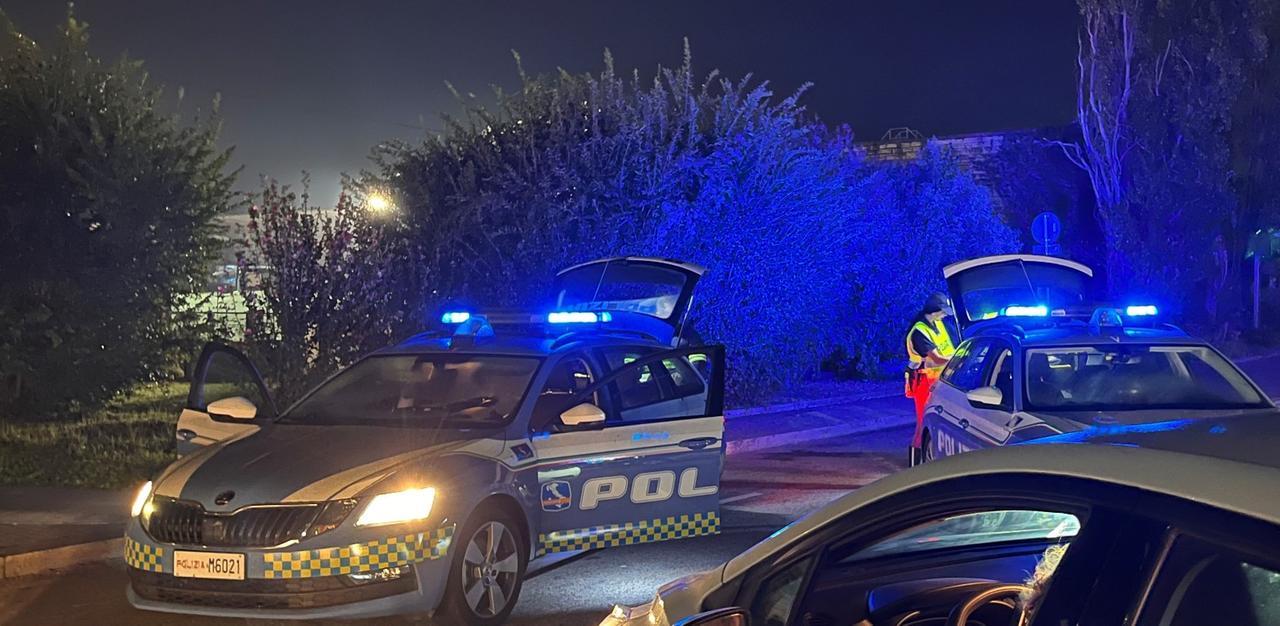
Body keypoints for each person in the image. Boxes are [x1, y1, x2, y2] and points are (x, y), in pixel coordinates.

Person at [906, 292, 956, 464]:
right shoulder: (919, 331)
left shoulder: (938, 324)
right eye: (942, 312)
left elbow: (949, 348)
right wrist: (960, 359)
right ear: (933, 310)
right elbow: (936, 358)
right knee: (923, 424)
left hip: (939, 380)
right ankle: (913, 469)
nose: (944, 316)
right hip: (923, 381)